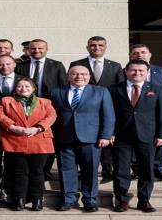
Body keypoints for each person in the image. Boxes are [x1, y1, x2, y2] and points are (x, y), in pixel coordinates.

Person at [49, 66, 115, 212]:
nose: (79, 76)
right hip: (64, 137)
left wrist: (105, 135)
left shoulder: (101, 91)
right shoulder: (56, 92)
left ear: (89, 76)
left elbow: (108, 116)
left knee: (90, 170)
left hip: (91, 138)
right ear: (68, 76)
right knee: (66, 169)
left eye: (83, 74)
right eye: (75, 74)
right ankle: (68, 199)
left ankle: (89, 200)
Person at [108, 60, 162, 213]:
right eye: (133, 70)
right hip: (121, 136)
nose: (137, 73)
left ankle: (144, 200)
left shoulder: (156, 89)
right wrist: (110, 133)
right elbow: (108, 114)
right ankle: (122, 200)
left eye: (141, 70)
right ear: (126, 72)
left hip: (147, 136)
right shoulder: (113, 89)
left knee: (146, 170)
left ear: (147, 72)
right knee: (121, 170)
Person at [0, 77, 57, 211]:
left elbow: (51, 116)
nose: (23, 89)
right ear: (15, 88)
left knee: (37, 172)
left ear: (33, 88)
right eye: (20, 86)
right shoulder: (6, 101)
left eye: (27, 86)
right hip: (15, 141)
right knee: (19, 172)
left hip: (40, 141)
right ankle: (19, 200)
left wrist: (38, 128)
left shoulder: (45, 102)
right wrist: (12, 127)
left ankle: (37, 200)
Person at [69, 36, 124, 180]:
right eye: (93, 45)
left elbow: (120, 87)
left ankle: (107, 168)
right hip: (85, 107)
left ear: (105, 47)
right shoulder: (77, 64)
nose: (96, 47)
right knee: (86, 140)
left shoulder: (115, 65)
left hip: (107, 106)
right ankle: (83, 168)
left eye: (100, 45)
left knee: (106, 137)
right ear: (87, 47)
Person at [15, 38, 68, 181]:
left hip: (48, 109)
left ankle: (45, 169)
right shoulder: (21, 65)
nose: (36, 51)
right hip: (26, 109)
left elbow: (63, 87)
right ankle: (31, 168)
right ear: (28, 50)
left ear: (47, 49)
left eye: (40, 48)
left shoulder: (56, 65)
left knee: (48, 141)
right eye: (33, 48)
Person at [128, 44, 162, 180]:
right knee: (135, 139)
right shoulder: (125, 72)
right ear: (130, 56)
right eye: (135, 53)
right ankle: (137, 167)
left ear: (150, 55)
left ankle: (157, 168)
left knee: (160, 139)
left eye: (143, 52)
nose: (139, 55)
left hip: (157, 112)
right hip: (135, 112)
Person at [0, 55, 25, 193]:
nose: (4, 67)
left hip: (18, 125)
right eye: (1, 64)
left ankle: (10, 187)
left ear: (14, 64)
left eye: (8, 64)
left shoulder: (25, 81)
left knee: (14, 159)